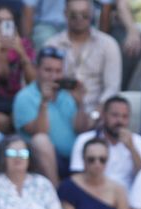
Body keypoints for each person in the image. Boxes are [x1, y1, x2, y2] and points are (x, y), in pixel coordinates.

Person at [15, 46, 90, 183]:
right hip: (41, 160)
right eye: (48, 70)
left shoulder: (67, 94)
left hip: (74, 158)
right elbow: (40, 132)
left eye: (58, 71)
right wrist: (44, 102)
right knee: (41, 140)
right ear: (37, 69)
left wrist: (80, 104)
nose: (53, 76)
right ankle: (55, 192)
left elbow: (82, 130)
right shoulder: (24, 97)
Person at [46, 0, 122, 114]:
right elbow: (45, 84)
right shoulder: (52, 45)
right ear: (65, 14)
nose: (79, 19)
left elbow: (112, 88)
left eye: (84, 15)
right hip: (59, 112)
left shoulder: (108, 44)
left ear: (92, 14)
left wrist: (96, 114)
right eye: (74, 15)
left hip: (97, 114)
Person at [71, 96, 141, 188]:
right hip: (96, 193)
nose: (120, 121)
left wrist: (132, 148)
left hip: (129, 197)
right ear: (103, 116)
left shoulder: (138, 141)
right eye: (115, 115)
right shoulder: (84, 139)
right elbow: (77, 176)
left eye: (124, 116)